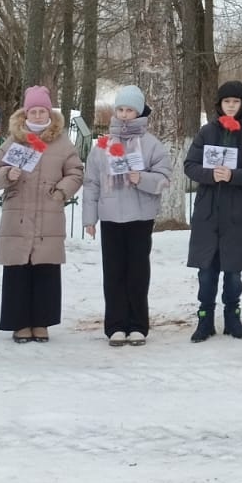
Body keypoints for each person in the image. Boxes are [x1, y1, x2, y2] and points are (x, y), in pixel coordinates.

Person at [0, 85, 83, 344]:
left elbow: (75, 172)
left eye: (43, 111)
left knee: (45, 269)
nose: (39, 115)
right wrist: (8, 175)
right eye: (34, 111)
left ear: (49, 113)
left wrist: (60, 193)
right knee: (18, 268)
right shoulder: (14, 140)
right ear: (26, 113)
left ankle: (41, 322)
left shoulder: (62, 141)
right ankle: (19, 322)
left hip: (48, 212)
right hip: (18, 212)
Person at [83, 85, 174, 344]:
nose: (124, 115)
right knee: (113, 273)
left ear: (139, 112)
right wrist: (90, 218)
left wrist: (141, 178)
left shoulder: (150, 144)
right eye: (120, 109)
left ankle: (137, 324)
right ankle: (115, 325)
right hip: (111, 217)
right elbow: (91, 183)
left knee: (137, 272)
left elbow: (164, 178)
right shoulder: (102, 146)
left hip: (140, 218)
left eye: (129, 110)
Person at [184, 80, 242, 342]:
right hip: (208, 212)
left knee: (233, 273)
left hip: (235, 213)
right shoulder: (207, 132)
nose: (231, 106)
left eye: (236, 102)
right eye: (227, 102)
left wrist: (233, 175)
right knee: (206, 273)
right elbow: (190, 165)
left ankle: (233, 317)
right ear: (219, 105)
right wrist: (210, 174)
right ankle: (205, 319)